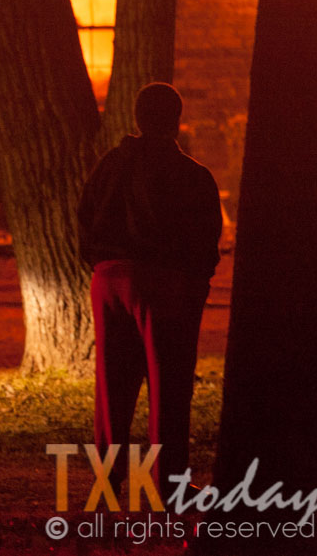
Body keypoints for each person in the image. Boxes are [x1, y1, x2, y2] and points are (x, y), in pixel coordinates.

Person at [77, 83, 222, 499]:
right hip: (162, 282)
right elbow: (204, 241)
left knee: (112, 384)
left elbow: (85, 217)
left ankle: (107, 480)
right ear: (176, 120)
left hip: (108, 278)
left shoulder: (110, 165)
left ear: (137, 118)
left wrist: (100, 265)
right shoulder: (191, 175)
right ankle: (170, 484)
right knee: (169, 384)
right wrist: (193, 285)